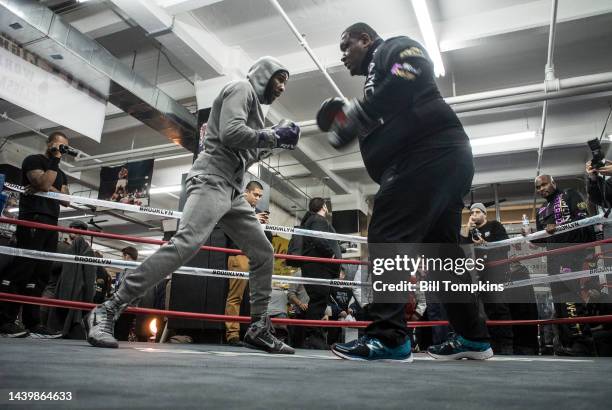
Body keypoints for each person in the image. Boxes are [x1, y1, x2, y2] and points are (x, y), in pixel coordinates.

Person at [84, 56, 299, 354]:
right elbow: (231, 133)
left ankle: (259, 327)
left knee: (262, 251)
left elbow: (244, 155)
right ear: (265, 74)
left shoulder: (257, 113)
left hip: (232, 190)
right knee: (186, 244)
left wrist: (276, 140)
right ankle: (109, 307)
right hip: (211, 178)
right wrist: (272, 135)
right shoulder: (241, 89)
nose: (283, 87)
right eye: (280, 78)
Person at [317, 23, 491, 361]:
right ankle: (473, 338)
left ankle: (390, 337)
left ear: (365, 40)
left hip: (429, 153)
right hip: (442, 157)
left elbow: (413, 67)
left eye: (346, 45)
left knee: (387, 232)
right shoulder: (376, 89)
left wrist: (362, 112)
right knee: (442, 252)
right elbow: (385, 116)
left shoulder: (390, 50)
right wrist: (351, 120)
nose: (342, 54)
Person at [0, 131, 70, 338]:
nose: (61, 150)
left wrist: (47, 186)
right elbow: (44, 184)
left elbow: (66, 199)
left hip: (51, 224)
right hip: (33, 218)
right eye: (59, 145)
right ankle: (5, 321)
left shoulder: (60, 172)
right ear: (49, 144)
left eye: (64, 147)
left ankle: (32, 323)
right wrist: (48, 180)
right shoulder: (33, 160)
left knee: (41, 274)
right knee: (23, 269)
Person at [528, 174, 595, 356]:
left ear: (553, 182)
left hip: (571, 254)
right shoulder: (541, 210)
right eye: (538, 187)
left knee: (569, 298)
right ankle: (567, 343)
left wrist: (558, 227)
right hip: (553, 258)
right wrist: (532, 236)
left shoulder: (569, 195)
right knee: (558, 302)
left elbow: (584, 221)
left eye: (544, 184)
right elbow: (543, 240)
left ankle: (581, 342)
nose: (541, 189)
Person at [461, 203, 513, 354]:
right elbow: (462, 246)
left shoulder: (495, 226)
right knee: (486, 310)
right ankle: (494, 344)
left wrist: (484, 244)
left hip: (496, 272)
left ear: (485, 214)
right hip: (479, 275)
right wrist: (467, 227)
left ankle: (506, 344)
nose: (474, 214)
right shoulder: (471, 232)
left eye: (478, 212)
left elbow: (506, 246)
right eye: (472, 212)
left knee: (499, 307)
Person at [224, 180, 270, 346]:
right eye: (255, 194)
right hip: (239, 253)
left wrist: (262, 226)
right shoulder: (237, 206)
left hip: (255, 256)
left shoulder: (256, 212)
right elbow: (230, 229)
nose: (258, 198)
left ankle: (255, 334)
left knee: (256, 297)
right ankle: (232, 335)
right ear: (246, 192)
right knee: (235, 297)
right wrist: (253, 219)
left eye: (260, 196)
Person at [299, 197, 342, 349]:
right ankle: (313, 338)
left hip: (318, 267)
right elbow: (319, 240)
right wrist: (332, 255)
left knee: (318, 300)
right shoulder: (318, 219)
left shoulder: (312, 220)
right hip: (319, 267)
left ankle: (313, 337)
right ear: (323, 206)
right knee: (318, 301)